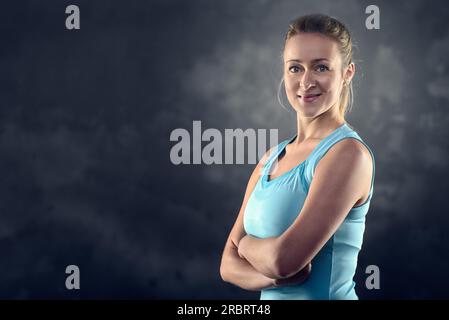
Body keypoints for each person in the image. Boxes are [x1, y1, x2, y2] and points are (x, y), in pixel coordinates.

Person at [219, 14, 375, 300]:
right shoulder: (271, 158)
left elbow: (284, 260)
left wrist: (245, 246)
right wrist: (275, 280)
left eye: (321, 67)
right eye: (295, 68)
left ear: (347, 73)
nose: (306, 81)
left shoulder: (348, 155)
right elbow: (227, 266)